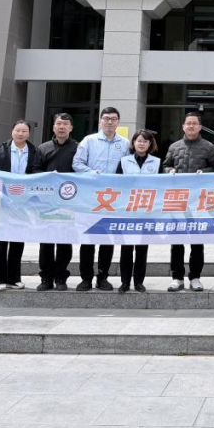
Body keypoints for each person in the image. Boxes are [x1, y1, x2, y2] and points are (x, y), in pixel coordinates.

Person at [72, 106, 128, 292]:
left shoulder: (125, 143)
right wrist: (91, 173)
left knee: (107, 239)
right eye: (106, 119)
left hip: (113, 199)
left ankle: (103, 277)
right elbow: (77, 163)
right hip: (91, 197)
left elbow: (129, 167)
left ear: (118, 122)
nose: (109, 122)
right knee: (88, 239)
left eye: (113, 119)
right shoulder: (89, 141)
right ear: (100, 121)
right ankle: (86, 278)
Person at [162, 111, 214, 292]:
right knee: (176, 241)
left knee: (197, 242)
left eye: (195, 123)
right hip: (178, 200)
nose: (191, 126)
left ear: (200, 127)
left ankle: (195, 277)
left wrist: (206, 172)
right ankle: (177, 277)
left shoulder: (209, 147)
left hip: (198, 201)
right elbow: (165, 165)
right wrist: (169, 170)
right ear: (183, 126)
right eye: (188, 123)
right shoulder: (174, 147)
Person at [0, 120, 42, 289]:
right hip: (3, 201)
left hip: (23, 202)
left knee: (18, 241)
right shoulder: (1, 150)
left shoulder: (34, 151)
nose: (20, 133)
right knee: (1, 242)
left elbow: (37, 172)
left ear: (29, 133)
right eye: (17, 130)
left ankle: (14, 278)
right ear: (12, 131)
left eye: (24, 131)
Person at [114, 129, 159, 293]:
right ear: (133, 143)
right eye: (139, 140)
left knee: (142, 249)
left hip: (146, 210)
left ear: (150, 144)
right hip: (128, 210)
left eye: (145, 141)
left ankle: (139, 282)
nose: (141, 144)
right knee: (126, 248)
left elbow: (161, 186)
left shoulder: (156, 162)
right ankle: (125, 282)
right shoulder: (124, 161)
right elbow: (117, 184)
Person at [36, 113, 78, 292]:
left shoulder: (78, 148)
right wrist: (47, 177)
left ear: (71, 128)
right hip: (46, 202)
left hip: (69, 201)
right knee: (46, 242)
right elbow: (34, 169)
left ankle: (61, 277)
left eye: (65, 124)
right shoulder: (43, 148)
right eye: (59, 124)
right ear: (53, 127)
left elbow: (82, 170)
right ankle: (46, 278)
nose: (62, 127)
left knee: (64, 241)